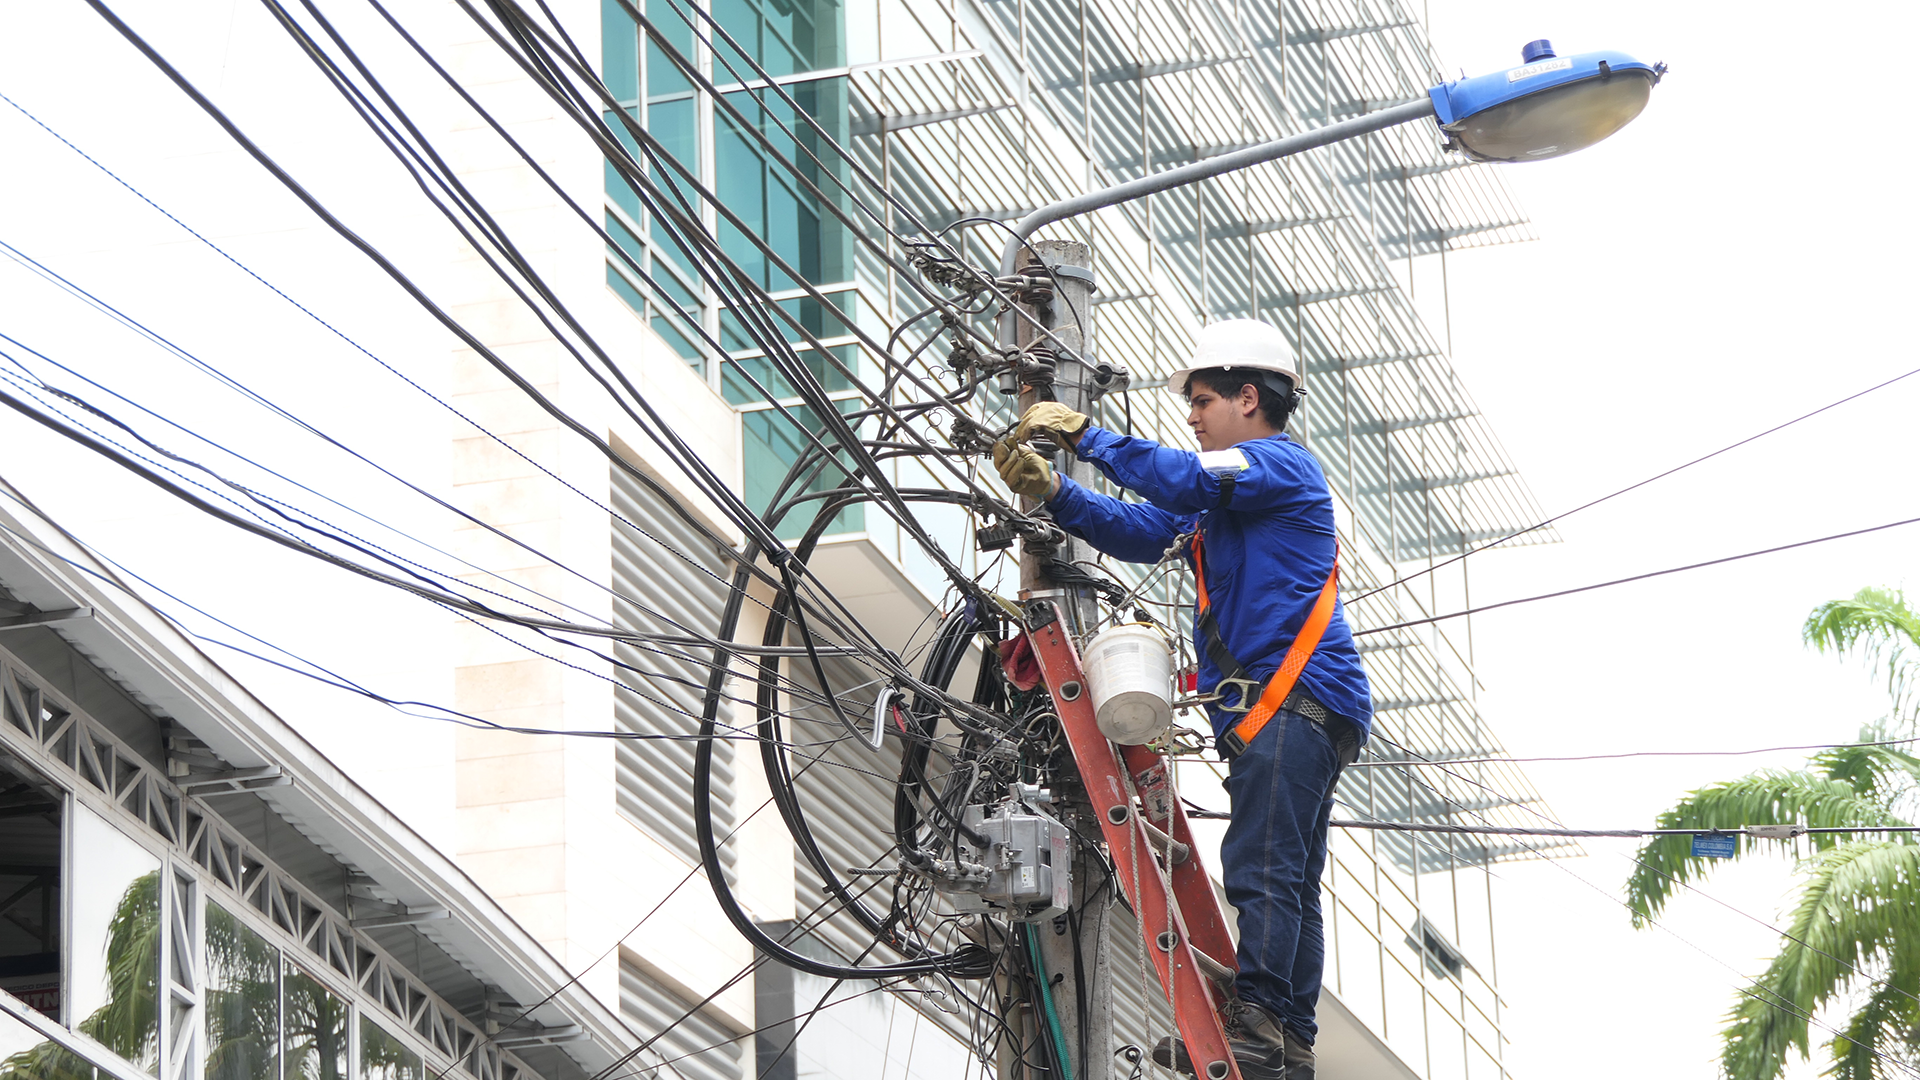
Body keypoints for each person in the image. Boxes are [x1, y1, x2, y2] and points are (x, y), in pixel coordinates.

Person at [992, 318, 1372, 1080]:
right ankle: (1284, 1038)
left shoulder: (1277, 465)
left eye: (1202, 400)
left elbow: (1182, 480)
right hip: (1294, 705)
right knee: (1285, 873)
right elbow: (1141, 528)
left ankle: (1263, 1032)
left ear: (1249, 396)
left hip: (1292, 698)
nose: (1192, 416)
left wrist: (1086, 436)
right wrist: (1057, 493)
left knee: (1266, 868)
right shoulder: (1227, 494)